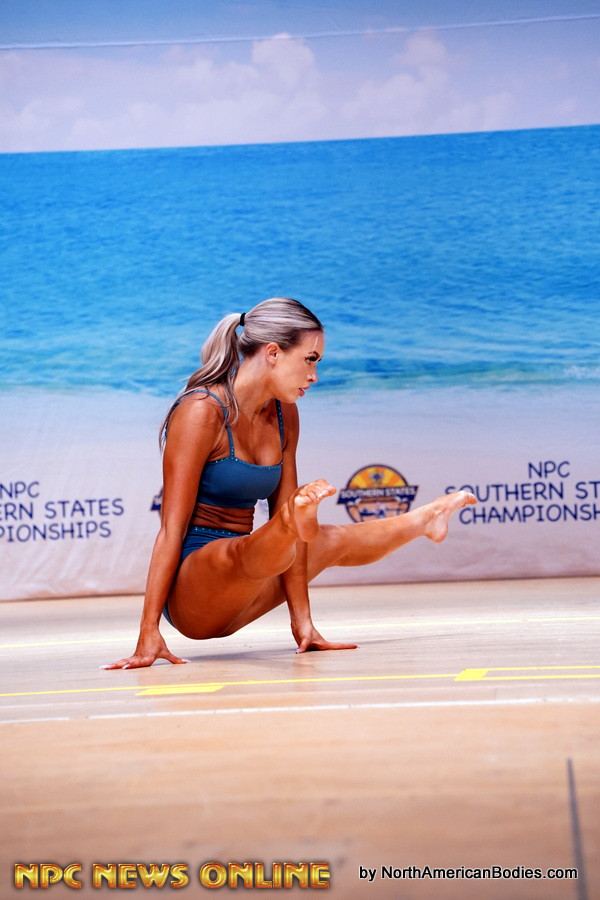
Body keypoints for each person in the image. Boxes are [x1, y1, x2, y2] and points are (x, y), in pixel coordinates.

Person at [105, 297, 475, 670]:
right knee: (258, 542)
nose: (314, 376)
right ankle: (292, 519)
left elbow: (295, 540)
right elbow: (171, 529)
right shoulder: (201, 410)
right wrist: (148, 632)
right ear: (272, 353)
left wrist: (303, 625)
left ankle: (424, 520)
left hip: (247, 588)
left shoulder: (284, 414)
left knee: (326, 538)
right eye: (310, 359)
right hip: (195, 594)